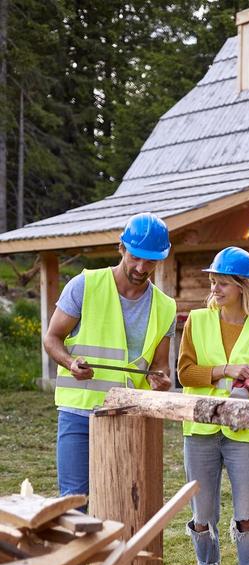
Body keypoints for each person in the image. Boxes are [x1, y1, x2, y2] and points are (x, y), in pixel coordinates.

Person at [43, 212, 175, 498]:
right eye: (135, 257)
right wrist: (69, 362)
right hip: (80, 415)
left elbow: (161, 365)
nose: (141, 267)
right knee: (75, 503)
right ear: (121, 249)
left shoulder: (166, 307)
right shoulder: (84, 285)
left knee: (120, 501)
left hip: (129, 417)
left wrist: (162, 379)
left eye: (150, 261)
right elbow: (52, 338)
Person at [178, 246, 249, 565]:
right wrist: (224, 370)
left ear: (241, 286)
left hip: (244, 434)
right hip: (200, 427)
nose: (214, 288)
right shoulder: (197, 321)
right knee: (201, 513)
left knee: (247, 514)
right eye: (213, 281)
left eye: (222, 283)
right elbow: (185, 373)